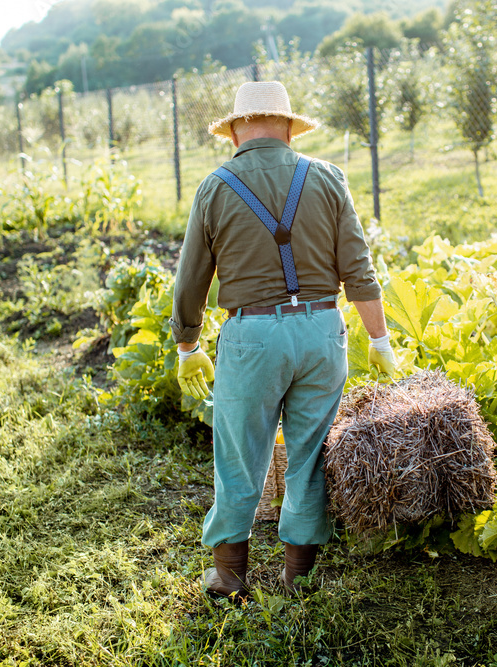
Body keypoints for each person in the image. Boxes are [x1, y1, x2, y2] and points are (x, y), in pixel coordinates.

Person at [169, 80, 397, 601]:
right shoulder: (328, 178)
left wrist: (188, 344)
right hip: (321, 332)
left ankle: (229, 577)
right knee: (310, 455)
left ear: (236, 131)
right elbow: (358, 270)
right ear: (290, 129)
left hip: (252, 337)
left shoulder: (216, 185)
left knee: (239, 457)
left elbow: (191, 280)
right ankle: (301, 580)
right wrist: (379, 340)